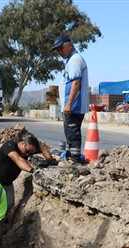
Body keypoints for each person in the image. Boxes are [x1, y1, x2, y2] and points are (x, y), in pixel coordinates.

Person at [0, 132, 55, 213]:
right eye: (27, 151)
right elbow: (18, 159)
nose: (28, 154)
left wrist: (50, 159)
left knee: (9, 204)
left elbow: (43, 148)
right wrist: (33, 170)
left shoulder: (29, 149)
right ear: (22, 143)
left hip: (6, 183)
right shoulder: (9, 146)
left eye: (30, 153)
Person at [52, 35, 89, 164]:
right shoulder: (71, 60)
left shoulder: (75, 60)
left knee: (72, 133)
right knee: (69, 133)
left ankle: (74, 160)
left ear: (69, 45)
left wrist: (68, 104)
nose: (59, 52)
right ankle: (70, 156)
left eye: (61, 48)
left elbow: (76, 83)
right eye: (57, 50)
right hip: (71, 106)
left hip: (74, 106)